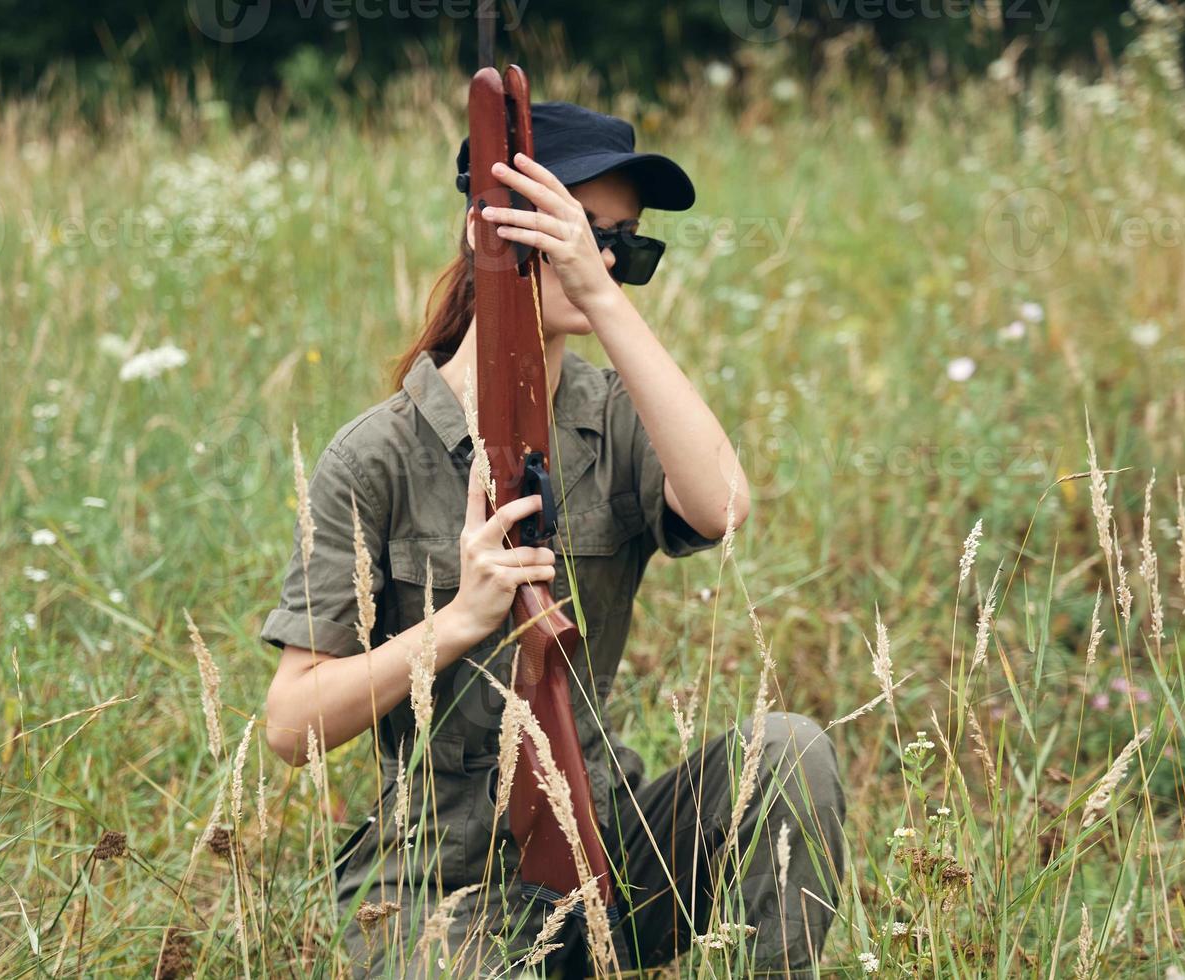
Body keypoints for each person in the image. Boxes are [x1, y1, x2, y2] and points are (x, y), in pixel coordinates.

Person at [261, 101, 845, 977]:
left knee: (792, 752)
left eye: (624, 243)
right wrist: (455, 622)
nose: (600, 254)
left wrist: (602, 295)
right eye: (567, 227)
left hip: (606, 840)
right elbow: (290, 722)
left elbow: (721, 505)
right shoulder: (375, 455)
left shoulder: (617, 416)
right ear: (486, 232)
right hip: (437, 881)